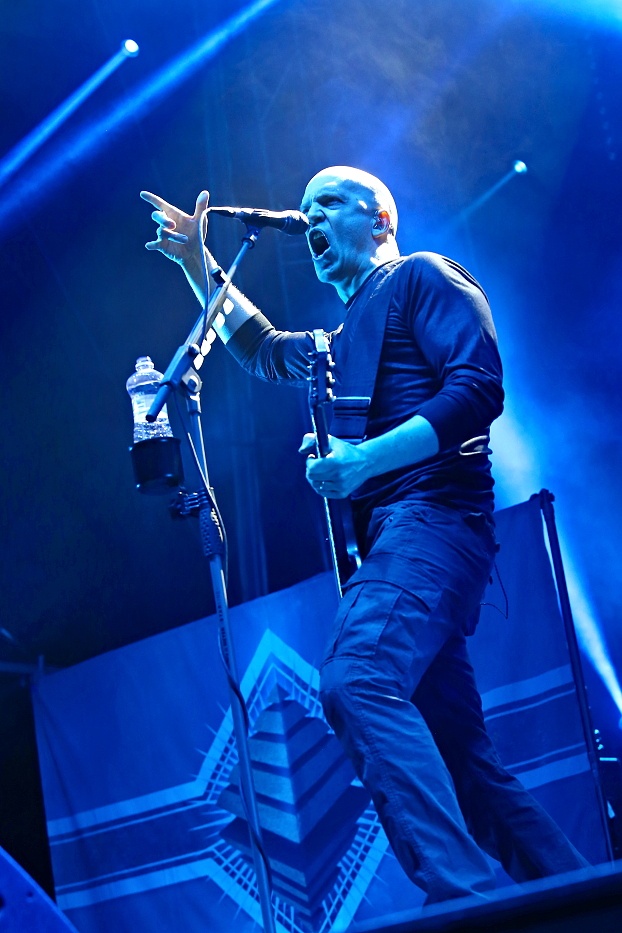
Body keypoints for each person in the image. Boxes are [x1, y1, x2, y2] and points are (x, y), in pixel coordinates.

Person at [141, 167, 588, 904]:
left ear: (380, 218)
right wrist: (198, 261)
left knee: (357, 676)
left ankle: (465, 899)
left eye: (326, 203)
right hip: (401, 540)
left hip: (434, 520)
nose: (308, 217)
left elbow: (479, 388)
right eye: (303, 207)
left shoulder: (422, 277)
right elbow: (262, 349)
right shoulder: (342, 338)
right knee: (466, 766)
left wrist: (363, 461)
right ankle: (583, 900)